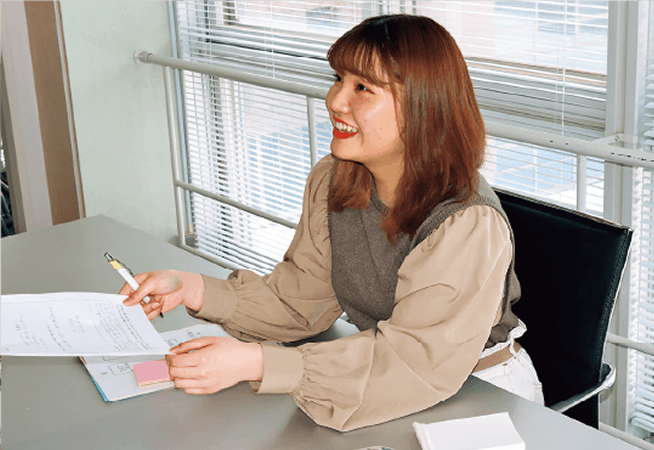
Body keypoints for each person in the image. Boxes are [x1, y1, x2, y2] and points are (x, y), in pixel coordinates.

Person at [121, 14, 544, 432]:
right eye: (338, 79)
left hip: (480, 394)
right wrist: (191, 288)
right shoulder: (338, 178)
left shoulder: (467, 223)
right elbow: (301, 299)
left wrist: (257, 362)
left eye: (362, 87)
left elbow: (414, 362)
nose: (335, 100)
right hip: (380, 382)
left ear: (423, 105)